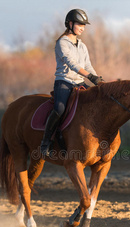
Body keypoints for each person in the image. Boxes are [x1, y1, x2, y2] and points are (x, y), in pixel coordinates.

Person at [40, 8, 104, 156]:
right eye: (79, 24)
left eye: (84, 25)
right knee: (59, 109)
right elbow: (72, 64)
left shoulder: (82, 46)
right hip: (64, 82)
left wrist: (98, 80)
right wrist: (90, 76)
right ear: (70, 23)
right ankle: (46, 141)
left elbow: (87, 65)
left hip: (80, 82)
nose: (82, 28)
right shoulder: (62, 43)